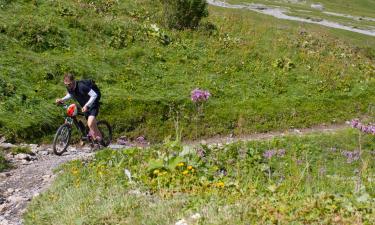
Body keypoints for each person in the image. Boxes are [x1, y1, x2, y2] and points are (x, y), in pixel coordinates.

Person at [55, 73, 103, 145]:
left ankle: (100, 142)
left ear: (73, 81)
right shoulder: (69, 87)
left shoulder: (82, 86)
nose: (68, 86)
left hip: (93, 104)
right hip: (84, 105)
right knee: (71, 112)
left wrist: (87, 105)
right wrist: (62, 99)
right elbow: (71, 94)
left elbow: (94, 95)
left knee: (90, 124)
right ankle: (66, 136)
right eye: (66, 84)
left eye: (69, 84)